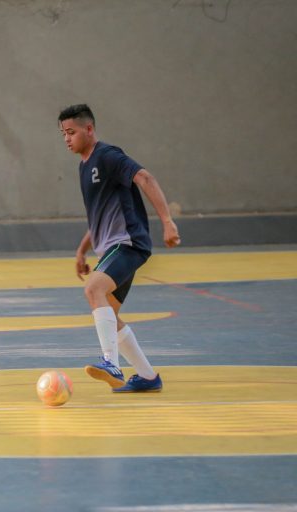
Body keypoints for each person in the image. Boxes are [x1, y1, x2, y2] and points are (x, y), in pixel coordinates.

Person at [58, 104, 181, 393]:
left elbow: (146, 178)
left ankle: (111, 363)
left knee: (92, 290)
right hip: (112, 248)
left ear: (89, 129)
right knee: (110, 315)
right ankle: (148, 377)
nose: (67, 138)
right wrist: (81, 251)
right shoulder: (84, 166)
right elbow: (98, 215)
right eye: (63, 133)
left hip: (127, 243)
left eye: (72, 132)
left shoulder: (109, 156)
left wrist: (167, 221)